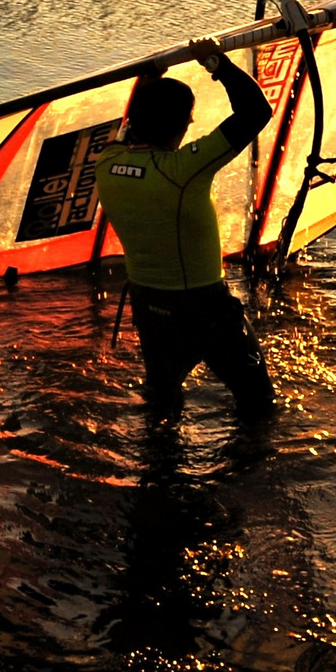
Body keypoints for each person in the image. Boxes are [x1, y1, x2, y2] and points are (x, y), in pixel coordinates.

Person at [93, 37, 277, 420]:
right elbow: (256, 110)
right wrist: (215, 63)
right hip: (203, 309)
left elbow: (131, 130)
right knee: (258, 403)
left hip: (150, 308)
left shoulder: (106, 163)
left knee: (162, 405)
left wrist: (149, 79)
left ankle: (159, 475)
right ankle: (246, 476)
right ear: (182, 125)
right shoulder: (182, 170)